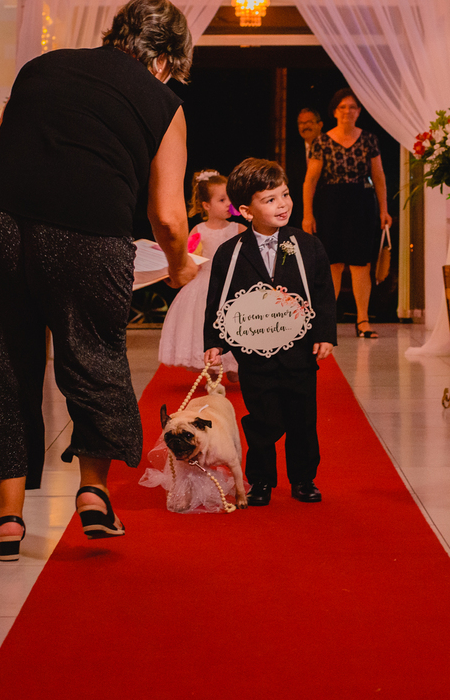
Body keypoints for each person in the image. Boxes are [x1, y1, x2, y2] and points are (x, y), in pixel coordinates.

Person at [0, 0, 198, 560]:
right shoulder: (162, 101)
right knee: (93, 354)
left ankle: (6, 520)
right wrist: (182, 266)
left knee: (4, 363)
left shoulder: (43, 66)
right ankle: (93, 493)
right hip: (85, 231)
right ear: (165, 60)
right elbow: (167, 214)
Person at [204, 158, 336, 506]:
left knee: (302, 419)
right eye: (271, 199)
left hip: (299, 354)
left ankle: (304, 479)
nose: (283, 204)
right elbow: (219, 301)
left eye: (286, 195)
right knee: (262, 420)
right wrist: (214, 343)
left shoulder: (308, 246)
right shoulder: (230, 254)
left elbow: (322, 292)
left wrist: (324, 333)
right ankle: (260, 480)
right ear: (246, 211)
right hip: (254, 357)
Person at [302, 88, 392, 338]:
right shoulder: (322, 142)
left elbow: (379, 177)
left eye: (353, 107)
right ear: (334, 111)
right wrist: (307, 214)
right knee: (333, 264)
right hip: (330, 204)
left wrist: (384, 210)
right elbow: (310, 181)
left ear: (359, 112)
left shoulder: (369, 139)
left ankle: (363, 320)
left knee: (360, 264)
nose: (348, 112)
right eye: (343, 107)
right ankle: (327, 323)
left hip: (362, 204)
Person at [158, 170, 239, 377]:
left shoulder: (237, 229)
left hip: (230, 284)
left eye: (229, 198)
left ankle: (235, 365)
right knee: (203, 323)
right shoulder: (198, 230)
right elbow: (190, 259)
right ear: (206, 205)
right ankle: (212, 369)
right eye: (222, 200)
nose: (228, 204)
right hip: (204, 284)